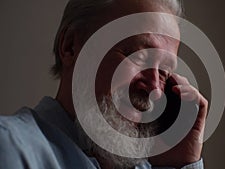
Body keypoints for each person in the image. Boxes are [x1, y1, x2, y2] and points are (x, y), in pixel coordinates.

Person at [0, 0, 208, 168]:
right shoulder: (10, 147)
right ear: (71, 47)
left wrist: (180, 164)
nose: (154, 88)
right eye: (138, 56)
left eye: (164, 71)